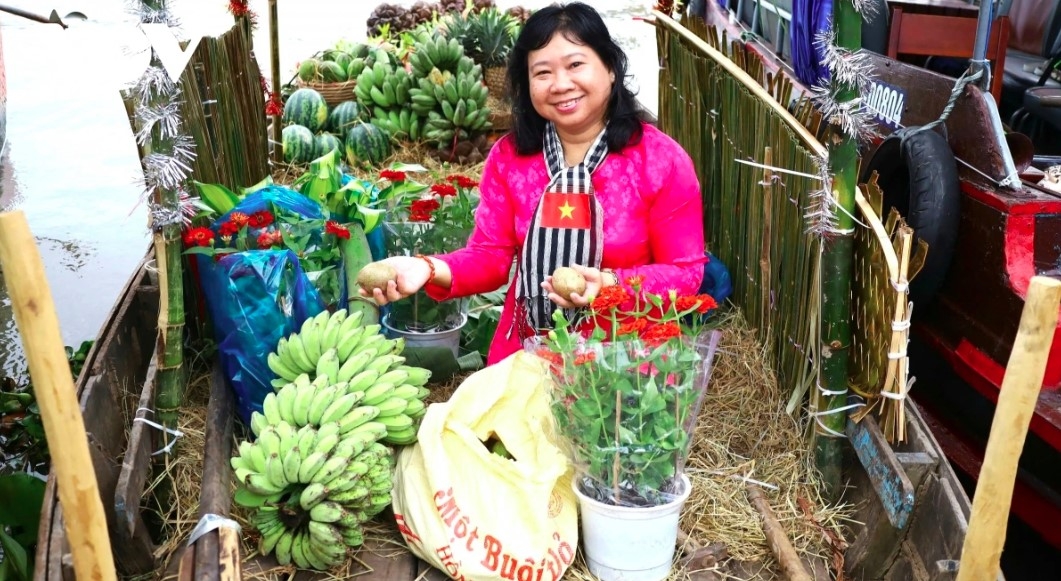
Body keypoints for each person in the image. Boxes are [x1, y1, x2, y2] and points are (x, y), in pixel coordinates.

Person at [360, 2, 706, 365]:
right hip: (527, 349)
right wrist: (427, 268)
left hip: (624, 359)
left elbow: (685, 273)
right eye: (542, 72)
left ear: (610, 69)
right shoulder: (511, 158)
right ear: (527, 85)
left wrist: (610, 284)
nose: (560, 84)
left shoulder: (659, 161)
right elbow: (490, 257)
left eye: (575, 65)